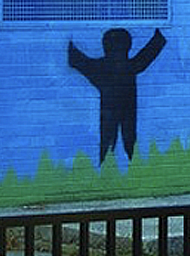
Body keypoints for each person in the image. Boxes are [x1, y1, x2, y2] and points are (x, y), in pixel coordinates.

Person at [67, 28, 166, 164]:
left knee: (108, 140)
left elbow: (76, 60)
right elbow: (151, 51)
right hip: (128, 112)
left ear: (105, 45)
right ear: (128, 46)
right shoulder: (130, 66)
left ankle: (105, 165)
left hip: (108, 113)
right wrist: (160, 33)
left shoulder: (100, 67)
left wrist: (67, 39)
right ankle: (128, 163)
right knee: (128, 139)